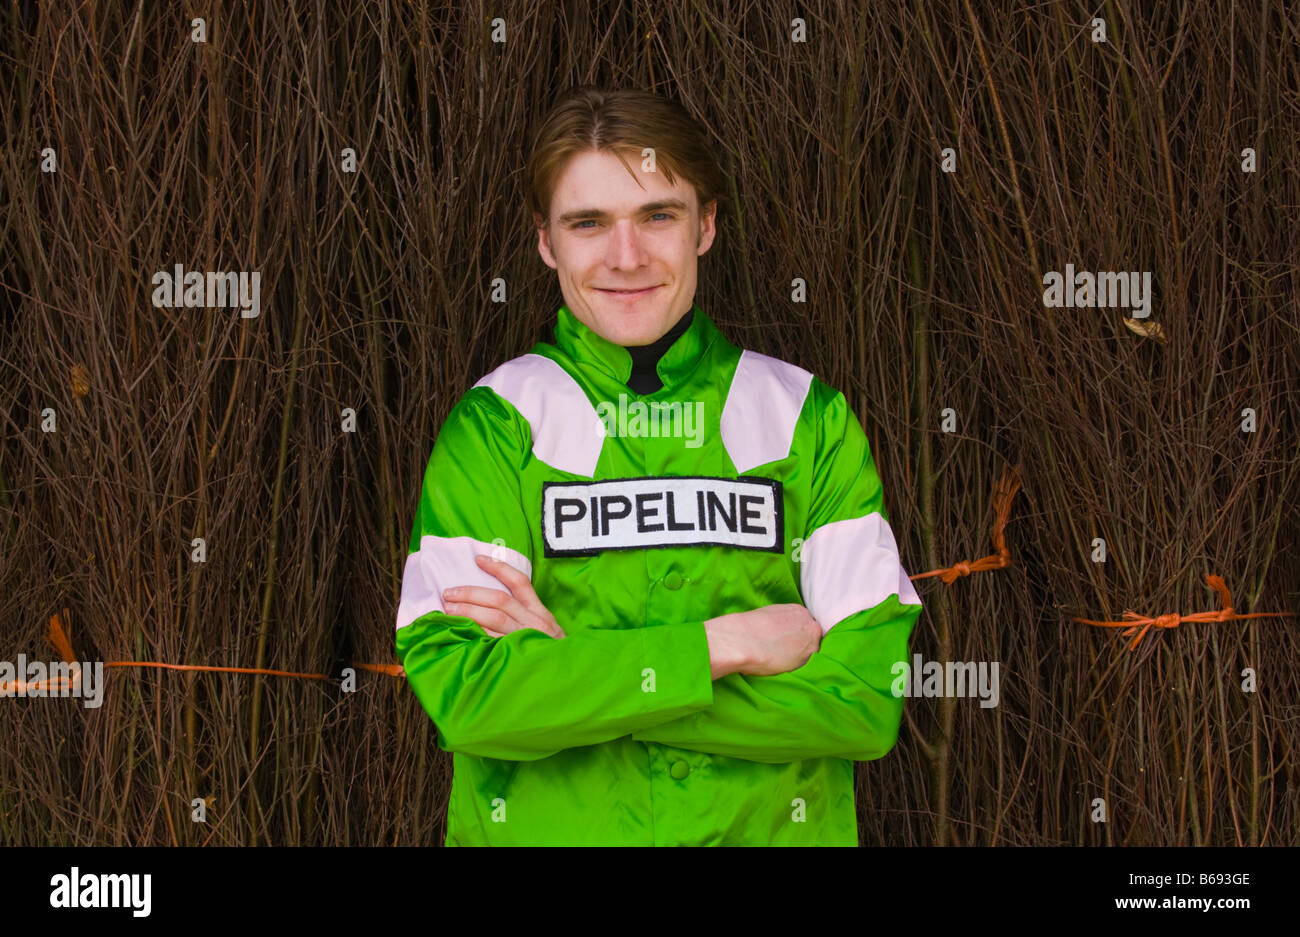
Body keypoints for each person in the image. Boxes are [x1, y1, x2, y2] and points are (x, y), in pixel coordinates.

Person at [395, 86, 924, 845]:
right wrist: (720, 647)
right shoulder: (495, 425)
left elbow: (868, 702)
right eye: (588, 223)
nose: (626, 256)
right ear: (546, 241)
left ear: (705, 224)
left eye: (658, 216)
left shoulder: (806, 419)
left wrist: (578, 677)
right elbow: (470, 698)